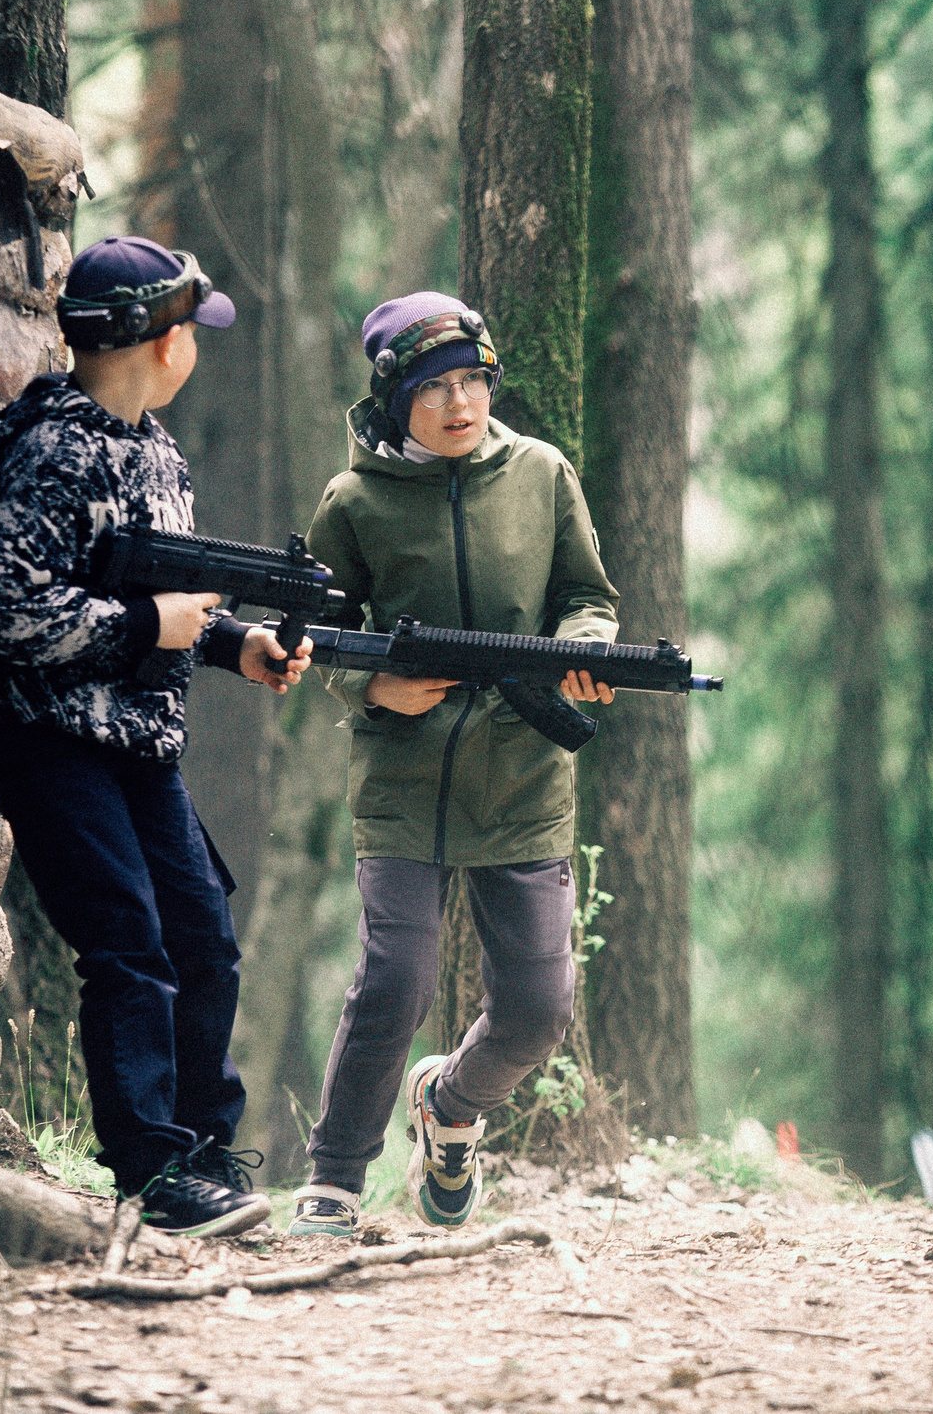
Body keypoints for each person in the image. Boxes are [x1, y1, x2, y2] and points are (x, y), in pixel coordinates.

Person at [0, 234, 310, 1238]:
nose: (197, 344)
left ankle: (204, 1151)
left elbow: (159, 597)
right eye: (191, 327)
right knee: (127, 944)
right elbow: (1, 606)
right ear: (160, 344)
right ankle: (150, 1170)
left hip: (141, 744)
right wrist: (146, 629)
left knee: (204, 939)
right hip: (52, 740)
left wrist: (235, 643)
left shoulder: (156, 449)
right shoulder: (52, 445)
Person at [287, 293, 622, 1237]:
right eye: (433, 388)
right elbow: (319, 630)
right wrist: (369, 691)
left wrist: (581, 654)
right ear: (396, 402)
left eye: (472, 380)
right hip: (401, 780)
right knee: (397, 978)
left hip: (520, 773)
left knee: (537, 1009)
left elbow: (587, 597)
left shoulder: (543, 473)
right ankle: (336, 1176)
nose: (458, 403)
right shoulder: (352, 502)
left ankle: (451, 1108)